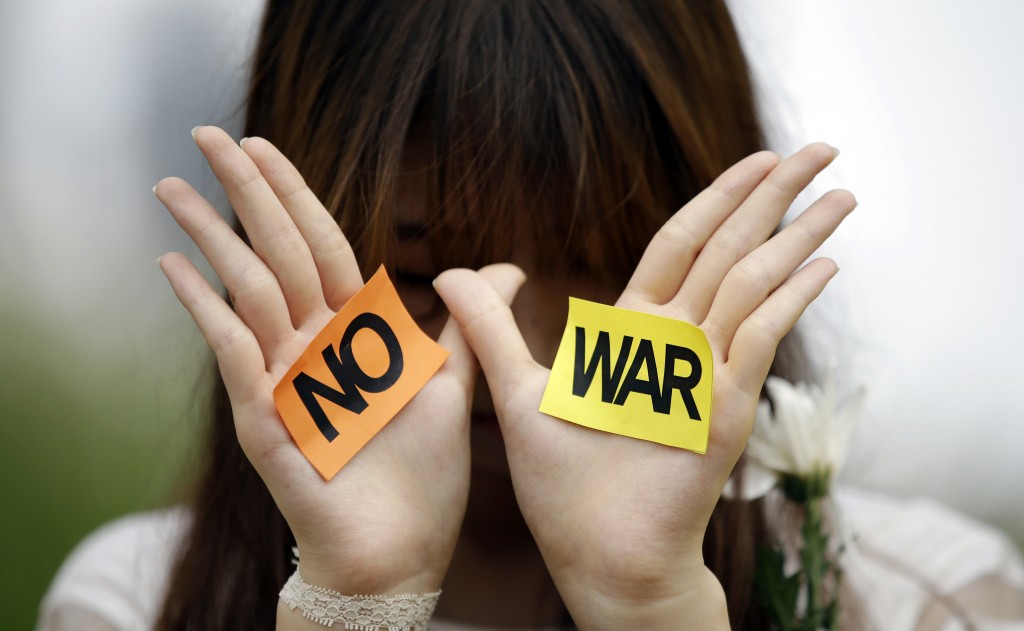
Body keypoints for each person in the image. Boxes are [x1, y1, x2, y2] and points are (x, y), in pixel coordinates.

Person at [38, 1, 1024, 630]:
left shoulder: (925, 598)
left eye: (600, 266)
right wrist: (357, 598)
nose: (513, 342)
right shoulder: (129, 600)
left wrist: (646, 603)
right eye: (422, 271)